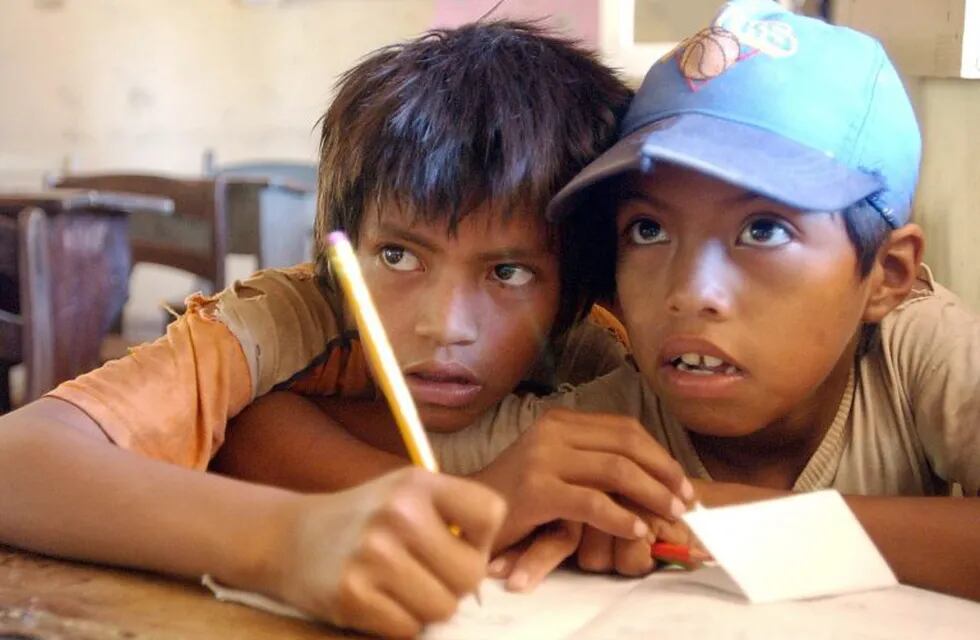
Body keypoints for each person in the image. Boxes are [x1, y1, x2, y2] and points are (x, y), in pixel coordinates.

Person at [0, 20, 691, 635]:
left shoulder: (601, 344)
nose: (444, 326)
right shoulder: (291, 316)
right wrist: (286, 542)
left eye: (508, 273)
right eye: (397, 255)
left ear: (573, 290)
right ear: (340, 254)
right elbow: (16, 461)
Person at [380, 0, 980, 599]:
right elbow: (307, 435)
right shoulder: (605, 431)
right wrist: (497, 492)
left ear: (887, 274)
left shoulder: (921, 351)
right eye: (648, 230)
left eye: (764, 230)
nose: (691, 292)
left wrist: (709, 514)